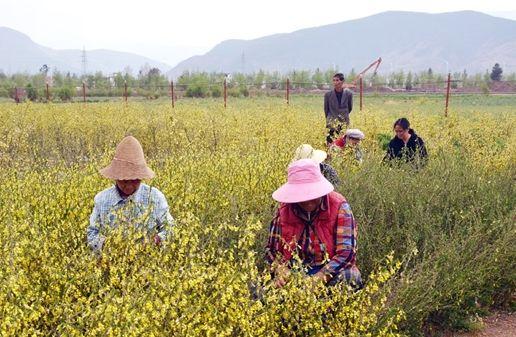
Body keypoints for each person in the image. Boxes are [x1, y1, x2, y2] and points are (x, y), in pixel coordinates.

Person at [266, 159, 362, 289]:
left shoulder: (339, 206)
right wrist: (281, 270)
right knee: (260, 291)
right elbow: (271, 251)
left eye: (312, 194)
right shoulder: (284, 210)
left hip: (328, 269)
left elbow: (346, 253)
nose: (308, 200)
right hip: (294, 271)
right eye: (301, 195)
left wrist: (320, 278)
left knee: (351, 277)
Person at [87, 136, 174, 253]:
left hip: (147, 262)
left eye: (134, 179)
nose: (128, 185)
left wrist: (154, 241)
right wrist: (110, 244)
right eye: (123, 180)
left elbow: (170, 228)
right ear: (115, 176)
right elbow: (92, 234)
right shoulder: (102, 199)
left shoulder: (155, 197)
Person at [324, 73, 353, 145]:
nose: (335, 82)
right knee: (330, 145)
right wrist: (330, 119)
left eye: (337, 80)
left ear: (342, 81)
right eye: (333, 80)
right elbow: (326, 109)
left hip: (343, 123)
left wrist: (343, 115)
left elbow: (350, 107)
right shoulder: (328, 95)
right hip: (332, 123)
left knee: (343, 144)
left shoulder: (348, 94)